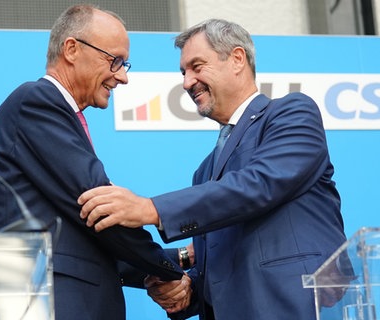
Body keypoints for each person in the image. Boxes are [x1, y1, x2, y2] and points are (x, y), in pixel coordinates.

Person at [78, 18, 347, 320]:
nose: (187, 82)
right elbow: (217, 264)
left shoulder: (292, 113)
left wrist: (152, 209)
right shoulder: (205, 171)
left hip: (295, 305)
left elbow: (259, 184)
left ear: (236, 59)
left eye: (197, 66)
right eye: (183, 72)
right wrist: (187, 288)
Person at [0, 4, 190, 320]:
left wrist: (179, 260)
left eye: (125, 64)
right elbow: (98, 206)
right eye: (115, 61)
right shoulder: (37, 103)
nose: (122, 77)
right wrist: (169, 271)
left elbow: (85, 236)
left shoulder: (55, 113)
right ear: (72, 49)